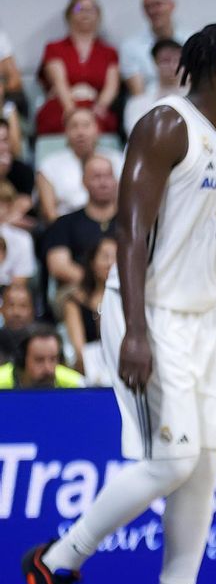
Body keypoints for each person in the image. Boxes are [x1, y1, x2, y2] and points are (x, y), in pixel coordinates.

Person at [22, 24, 216, 584]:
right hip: (150, 313)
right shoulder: (164, 125)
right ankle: (56, 561)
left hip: (207, 318)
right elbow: (129, 232)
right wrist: (136, 327)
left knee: (205, 466)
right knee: (173, 460)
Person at [36, 0, 120, 138]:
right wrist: (72, 113)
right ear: (69, 15)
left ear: (98, 16)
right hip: (62, 106)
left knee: (104, 125)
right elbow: (59, 82)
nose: (85, 13)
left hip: (95, 108)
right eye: (80, 8)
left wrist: (99, 108)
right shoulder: (54, 48)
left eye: (91, 9)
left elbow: (112, 86)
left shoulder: (109, 52)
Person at [41, 153, 118, 290]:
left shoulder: (131, 223)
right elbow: (58, 266)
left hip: (125, 287)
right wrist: (97, 283)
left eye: (108, 176)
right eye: (96, 177)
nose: (103, 183)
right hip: (81, 290)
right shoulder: (64, 223)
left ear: (116, 181)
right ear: (83, 181)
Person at [37, 109, 124, 220]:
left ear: (97, 130)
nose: (80, 132)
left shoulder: (116, 160)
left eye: (86, 125)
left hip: (111, 226)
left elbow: (124, 202)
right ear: (66, 132)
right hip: (66, 229)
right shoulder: (49, 165)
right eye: (74, 126)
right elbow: (50, 214)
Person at [58, 235, 115, 383]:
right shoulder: (75, 300)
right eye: (105, 257)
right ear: (92, 262)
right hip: (87, 373)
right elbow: (79, 350)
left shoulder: (130, 301)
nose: (111, 263)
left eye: (116, 257)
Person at [120, 0, 191, 98]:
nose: (154, 11)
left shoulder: (191, 40)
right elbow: (138, 93)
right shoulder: (130, 46)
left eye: (158, 4)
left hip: (188, 101)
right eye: (148, 6)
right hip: (149, 104)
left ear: (172, 6)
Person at [123, 40, 185, 137]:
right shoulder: (139, 101)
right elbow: (134, 133)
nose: (172, 66)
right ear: (155, 62)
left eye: (177, 60)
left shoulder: (194, 97)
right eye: (166, 61)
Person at [0, 328, 84, 389]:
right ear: (22, 359)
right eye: (39, 360)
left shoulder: (76, 386)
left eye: (53, 359)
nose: (47, 368)